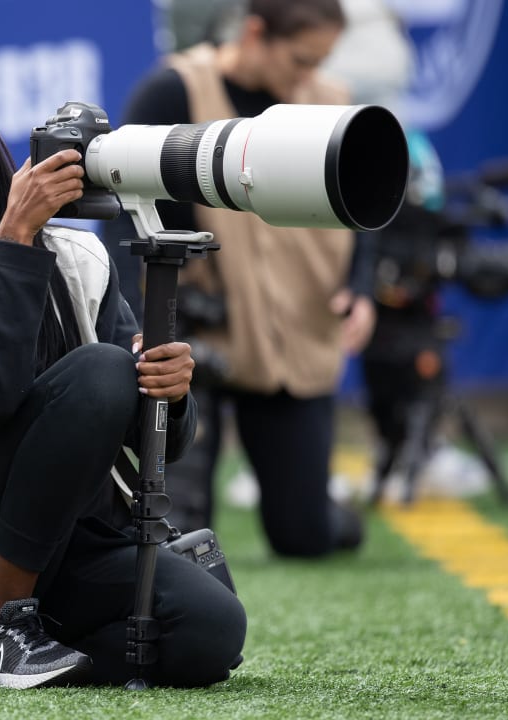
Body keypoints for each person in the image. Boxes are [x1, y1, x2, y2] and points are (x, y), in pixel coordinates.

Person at [0, 71, 247, 688]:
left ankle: (8, 649)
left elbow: (160, 439)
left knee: (210, 633)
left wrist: (172, 391)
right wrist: (17, 237)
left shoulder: (78, 257)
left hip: (70, 539)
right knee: (101, 369)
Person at [103, 0, 370, 556]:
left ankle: (329, 511)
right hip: (199, 335)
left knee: (305, 537)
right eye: (300, 59)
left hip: (296, 337)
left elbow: (367, 205)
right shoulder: (173, 92)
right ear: (255, 33)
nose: (309, 77)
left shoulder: (333, 104)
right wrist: (130, 326)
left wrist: (361, 288)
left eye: (320, 61)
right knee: (176, 531)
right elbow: (126, 211)